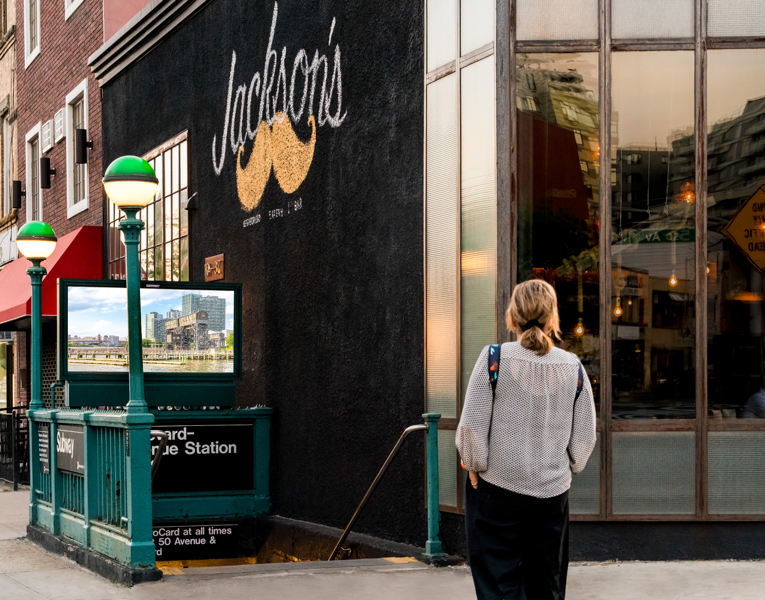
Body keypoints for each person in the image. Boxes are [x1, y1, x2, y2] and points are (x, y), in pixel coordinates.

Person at [456, 279, 597, 600]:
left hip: (497, 491)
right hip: (551, 494)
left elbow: (471, 426)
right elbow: (584, 436)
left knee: (497, 581)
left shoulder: (494, 359)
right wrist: (567, 469)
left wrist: (475, 468)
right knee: (546, 583)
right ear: (553, 318)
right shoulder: (572, 366)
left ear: (512, 316)